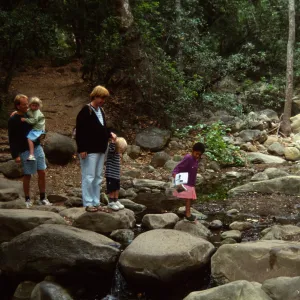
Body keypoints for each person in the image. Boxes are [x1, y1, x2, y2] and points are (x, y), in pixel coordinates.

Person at [75, 85, 116, 212]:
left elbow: (102, 127)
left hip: (101, 148)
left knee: (98, 177)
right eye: (101, 98)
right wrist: (82, 148)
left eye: (104, 98)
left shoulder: (101, 111)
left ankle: (96, 201)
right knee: (89, 176)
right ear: (95, 96)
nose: (103, 100)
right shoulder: (86, 110)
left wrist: (110, 134)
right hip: (89, 149)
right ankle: (88, 202)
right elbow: (80, 131)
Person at [8, 94, 52, 208]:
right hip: (24, 150)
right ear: (18, 106)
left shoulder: (30, 113)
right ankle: (27, 199)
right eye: (24, 104)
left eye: (27, 103)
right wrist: (15, 155)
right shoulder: (13, 119)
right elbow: (12, 138)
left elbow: (39, 118)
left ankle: (43, 197)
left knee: (42, 172)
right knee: (28, 174)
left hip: (37, 146)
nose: (27, 106)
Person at [172, 142, 205, 222]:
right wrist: (175, 175)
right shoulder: (188, 158)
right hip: (184, 181)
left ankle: (187, 212)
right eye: (196, 153)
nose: (198, 156)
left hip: (190, 182)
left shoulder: (196, 160)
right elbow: (178, 167)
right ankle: (187, 214)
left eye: (199, 155)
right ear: (192, 151)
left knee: (190, 198)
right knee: (188, 198)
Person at [105, 137, 127, 211]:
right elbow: (111, 148)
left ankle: (115, 200)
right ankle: (111, 202)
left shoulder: (117, 153)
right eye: (120, 149)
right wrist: (113, 142)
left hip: (116, 175)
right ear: (117, 146)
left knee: (117, 188)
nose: (121, 151)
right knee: (112, 188)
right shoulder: (112, 152)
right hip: (111, 175)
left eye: (122, 150)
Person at [21, 97, 45, 161]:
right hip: (36, 129)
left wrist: (25, 119)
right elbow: (26, 111)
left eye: (36, 106)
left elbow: (34, 121)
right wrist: (15, 112)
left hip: (38, 129)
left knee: (29, 139)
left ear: (39, 106)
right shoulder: (31, 110)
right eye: (33, 105)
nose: (34, 107)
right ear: (30, 105)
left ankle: (31, 155)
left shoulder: (37, 112)